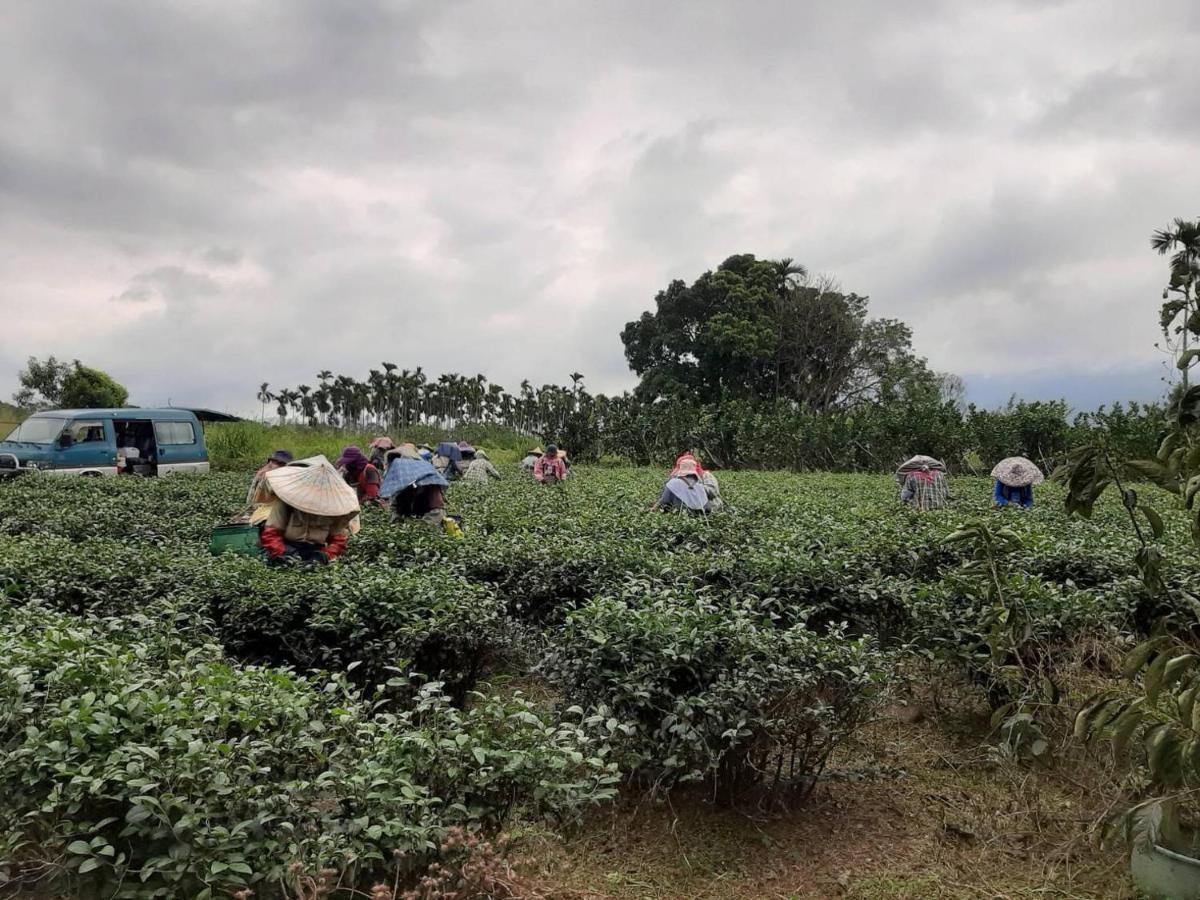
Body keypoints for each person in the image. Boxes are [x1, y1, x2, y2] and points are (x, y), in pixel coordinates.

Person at [259, 457, 359, 564]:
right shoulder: (287, 501)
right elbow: (271, 534)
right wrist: (283, 552)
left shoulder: (334, 507)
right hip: (287, 547)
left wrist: (324, 555)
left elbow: (338, 541)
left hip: (315, 551)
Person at [380, 452, 453, 529]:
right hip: (410, 520)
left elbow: (437, 512)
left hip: (429, 522)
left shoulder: (431, 485)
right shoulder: (403, 483)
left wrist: (419, 527)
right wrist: (397, 523)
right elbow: (395, 507)